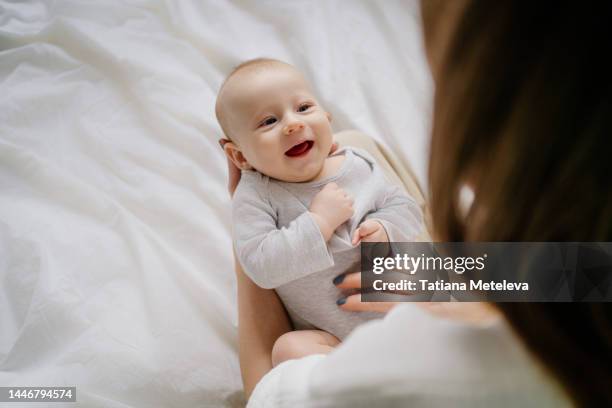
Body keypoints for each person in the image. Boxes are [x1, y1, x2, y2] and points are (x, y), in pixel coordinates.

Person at [225, 0, 612, 406]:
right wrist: (443, 276)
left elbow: (265, 392)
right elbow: (575, 273)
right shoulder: (584, 274)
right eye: (269, 122)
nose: (293, 123)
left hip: (364, 337)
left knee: (289, 347)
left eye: (442, 83)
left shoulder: (393, 381)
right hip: (410, 285)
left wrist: (244, 224)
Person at [216, 59, 425, 366]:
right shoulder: (255, 196)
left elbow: (405, 207)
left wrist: (386, 226)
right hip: (338, 342)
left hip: (409, 310)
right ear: (239, 155)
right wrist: (319, 222)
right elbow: (260, 266)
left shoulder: (357, 161)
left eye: (303, 108)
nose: (292, 124)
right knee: (288, 349)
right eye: (268, 121)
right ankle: (367, 376)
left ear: (327, 118)